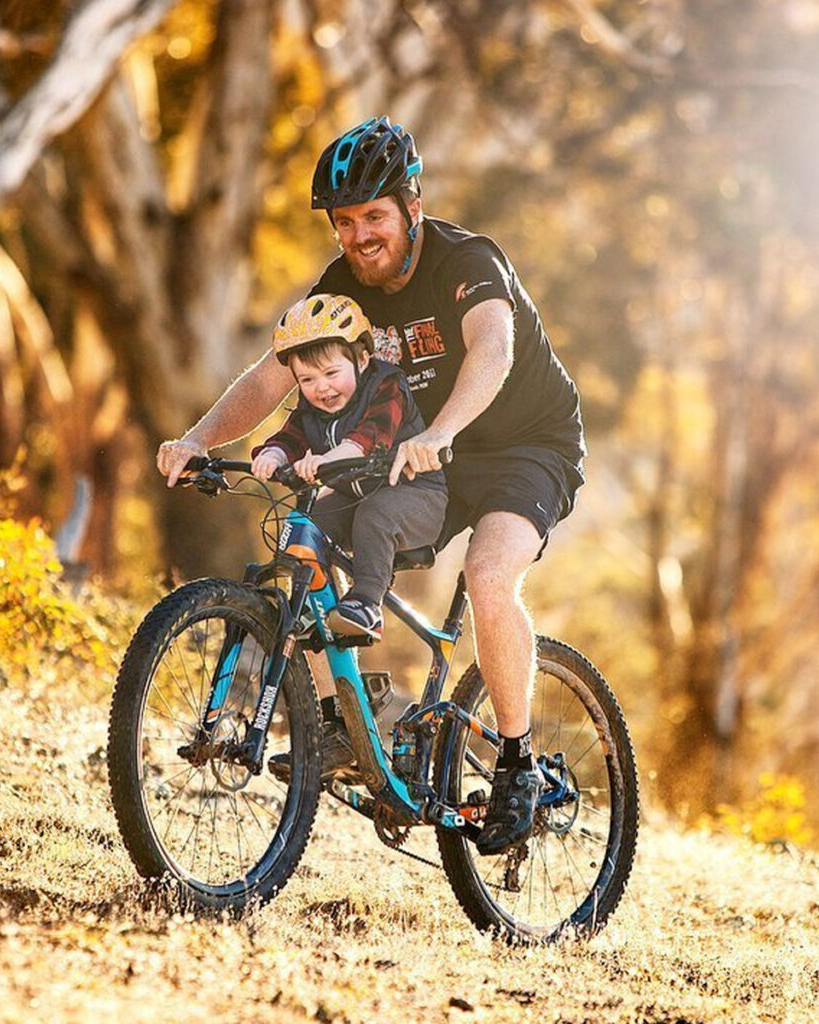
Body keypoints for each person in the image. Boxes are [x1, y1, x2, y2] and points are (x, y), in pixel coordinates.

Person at [157, 116, 585, 856]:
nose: (360, 237)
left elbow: (493, 345)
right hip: (417, 456)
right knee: (317, 536)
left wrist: (441, 431)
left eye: (375, 217)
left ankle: (517, 765)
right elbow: (272, 376)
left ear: (412, 209)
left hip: (521, 447)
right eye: (345, 223)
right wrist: (198, 440)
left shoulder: (467, 261)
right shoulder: (341, 288)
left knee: (488, 576)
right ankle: (351, 719)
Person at [251, 292, 446, 643]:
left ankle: (367, 604)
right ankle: (311, 607)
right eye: (306, 379)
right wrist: (273, 455)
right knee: (307, 526)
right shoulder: (311, 406)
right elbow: (291, 435)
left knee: (376, 513)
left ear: (362, 358)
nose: (320, 387)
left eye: (330, 373)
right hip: (355, 498)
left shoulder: (387, 385)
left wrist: (325, 460)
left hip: (417, 496)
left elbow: (368, 438)